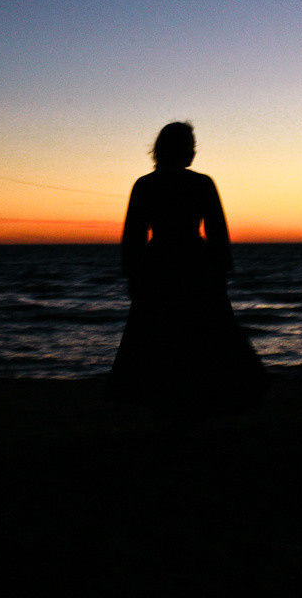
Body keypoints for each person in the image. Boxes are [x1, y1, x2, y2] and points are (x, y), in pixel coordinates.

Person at [106, 122, 266, 420]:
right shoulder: (201, 183)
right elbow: (218, 231)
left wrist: (132, 273)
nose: (193, 150)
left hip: (160, 265)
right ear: (184, 150)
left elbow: (133, 235)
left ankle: (168, 400)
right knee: (202, 333)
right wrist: (222, 268)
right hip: (194, 263)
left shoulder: (146, 184)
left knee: (160, 335)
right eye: (190, 145)